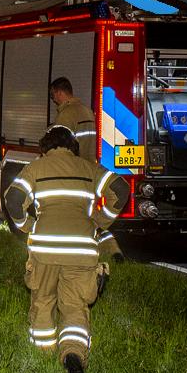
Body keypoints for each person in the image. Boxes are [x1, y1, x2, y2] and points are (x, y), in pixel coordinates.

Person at [3, 125, 128, 373]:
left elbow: (13, 199)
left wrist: (27, 226)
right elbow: (121, 189)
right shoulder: (88, 168)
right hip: (81, 249)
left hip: (45, 248)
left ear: (45, 147)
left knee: (43, 300)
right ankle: (73, 354)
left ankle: (42, 354)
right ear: (73, 146)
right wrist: (100, 221)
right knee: (75, 306)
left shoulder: (37, 167)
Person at [49, 77, 124, 261]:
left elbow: (58, 146)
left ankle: (85, 252)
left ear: (60, 92)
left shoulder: (66, 115)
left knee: (78, 218)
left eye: (54, 96)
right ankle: (114, 250)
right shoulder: (87, 111)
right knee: (89, 216)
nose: (54, 101)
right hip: (90, 172)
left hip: (73, 172)